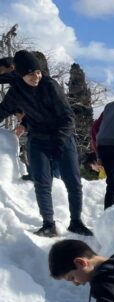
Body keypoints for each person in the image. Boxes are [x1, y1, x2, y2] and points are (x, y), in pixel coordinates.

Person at [0, 50, 92, 237]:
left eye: (38, 72)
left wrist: (59, 141)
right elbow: (2, 110)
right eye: (31, 73)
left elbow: (68, 117)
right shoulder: (16, 92)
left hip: (62, 137)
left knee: (72, 182)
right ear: (21, 74)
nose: (36, 77)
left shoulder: (50, 85)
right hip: (38, 139)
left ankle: (76, 222)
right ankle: (48, 224)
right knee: (42, 182)